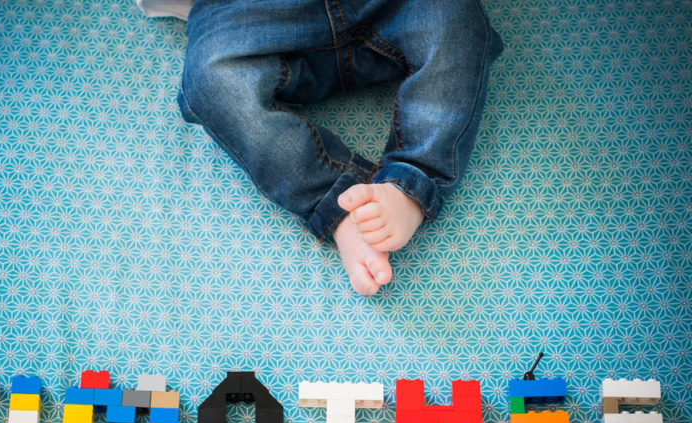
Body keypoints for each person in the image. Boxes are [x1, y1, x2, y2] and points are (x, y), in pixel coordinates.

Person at [176, 0, 503, 295]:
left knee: (457, 18)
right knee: (209, 82)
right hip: (255, 17)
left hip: (387, 10)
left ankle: (408, 183)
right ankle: (340, 202)